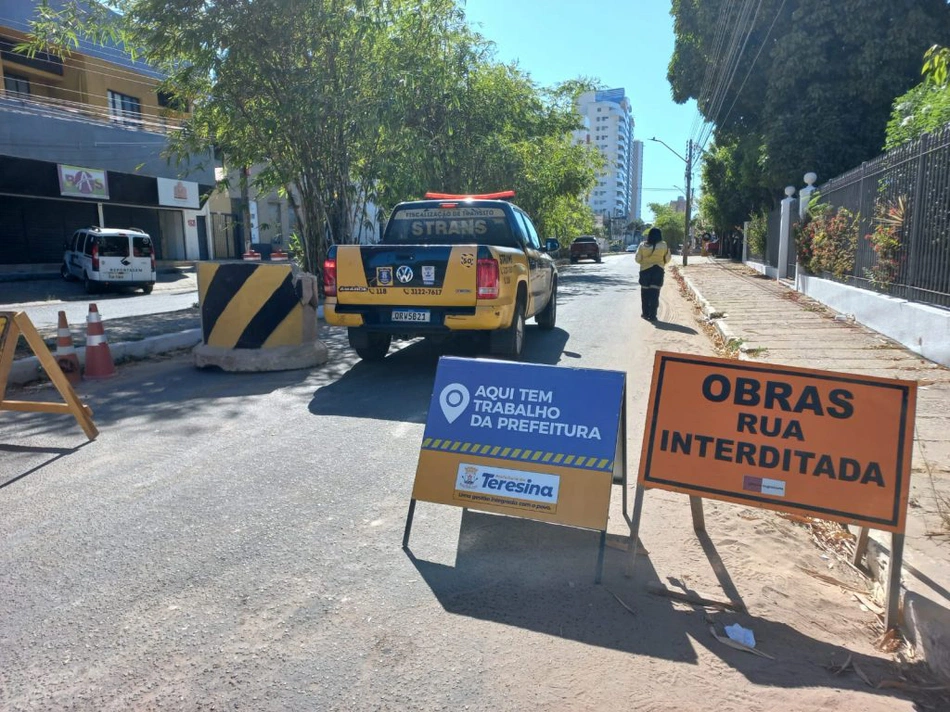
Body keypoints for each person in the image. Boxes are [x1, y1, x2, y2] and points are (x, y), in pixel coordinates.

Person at [635, 227, 671, 321]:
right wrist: (661, 263)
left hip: (645, 271)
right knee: (655, 294)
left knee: (645, 294)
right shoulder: (664, 245)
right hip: (658, 271)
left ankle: (645, 313)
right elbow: (667, 258)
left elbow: (637, 259)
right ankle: (653, 315)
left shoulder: (642, 245)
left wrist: (645, 263)